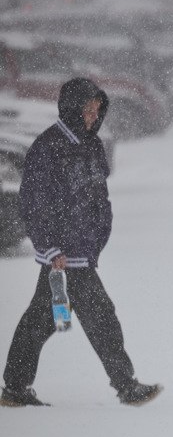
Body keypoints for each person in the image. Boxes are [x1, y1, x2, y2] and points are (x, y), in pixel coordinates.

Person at [1, 78, 161, 408]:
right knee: (101, 316)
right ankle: (126, 385)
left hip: (82, 252)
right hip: (64, 255)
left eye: (97, 109)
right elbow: (33, 202)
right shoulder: (49, 147)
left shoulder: (91, 145)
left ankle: (15, 389)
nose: (92, 115)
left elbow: (97, 195)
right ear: (71, 109)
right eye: (87, 109)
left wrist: (98, 236)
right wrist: (51, 248)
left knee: (40, 320)